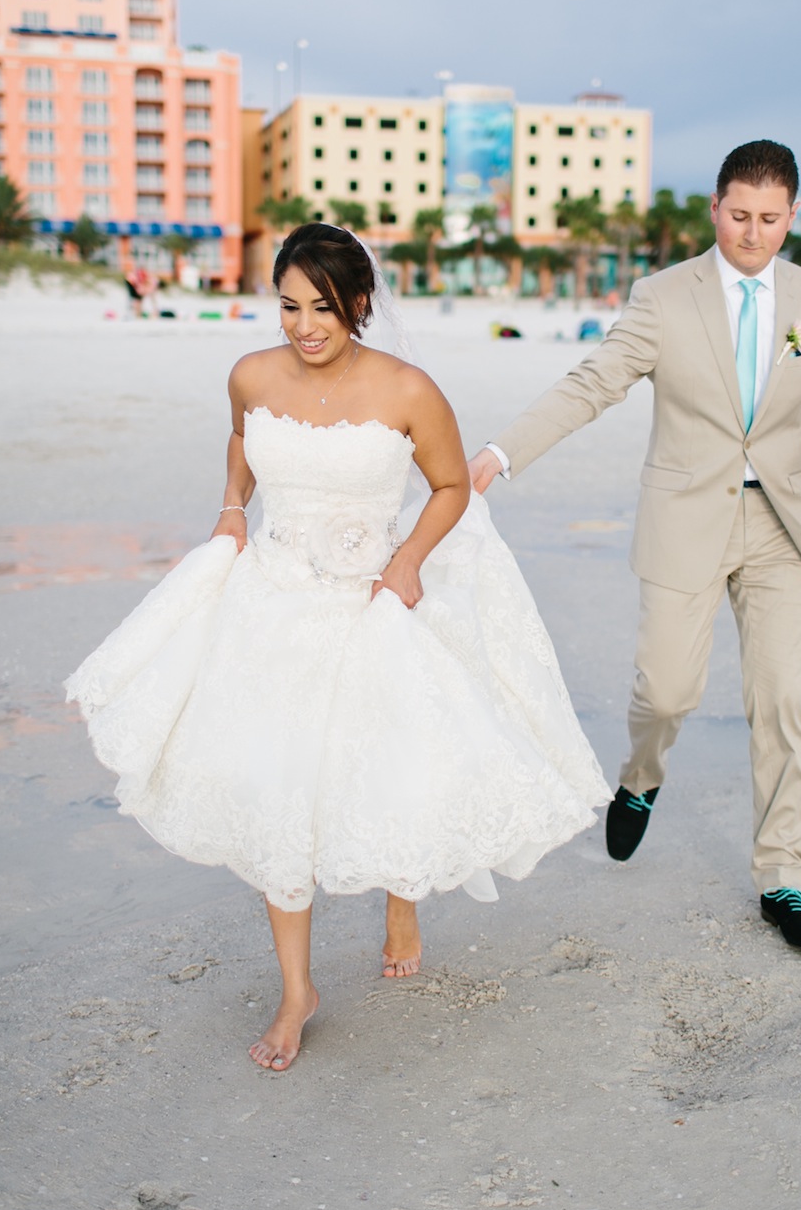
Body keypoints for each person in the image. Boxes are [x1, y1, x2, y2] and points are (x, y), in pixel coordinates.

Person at [66, 223, 609, 1071]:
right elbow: (245, 442)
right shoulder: (249, 373)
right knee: (280, 786)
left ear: (359, 304)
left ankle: (403, 900)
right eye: (289, 305)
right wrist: (232, 507)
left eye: (323, 308)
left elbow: (451, 486)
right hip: (271, 602)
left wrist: (406, 563)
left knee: (386, 760)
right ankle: (297, 991)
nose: (304, 326)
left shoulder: (408, 389)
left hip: (368, 598)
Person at [470, 141, 801, 953]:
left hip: (782, 529)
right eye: (738, 216)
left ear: (792, 216)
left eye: (769, 219)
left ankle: (782, 878)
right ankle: (641, 777)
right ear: (715, 208)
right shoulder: (662, 296)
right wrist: (499, 455)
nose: (752, 233)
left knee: (782, 706)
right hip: (687, 518)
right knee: (668, 693)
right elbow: (596, 381)